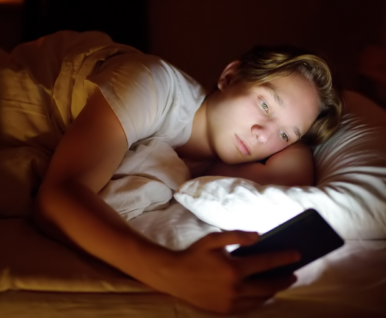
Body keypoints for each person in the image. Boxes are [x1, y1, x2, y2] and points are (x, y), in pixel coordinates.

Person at [34, 41, 342, 315]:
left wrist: (297, 146)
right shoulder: (153, 83)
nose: (263, 135)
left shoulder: (214, 167)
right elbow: (57, 195)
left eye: (285, 134)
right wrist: (171, 271)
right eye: (264, 104)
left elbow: (291, 179)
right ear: (229, 77)